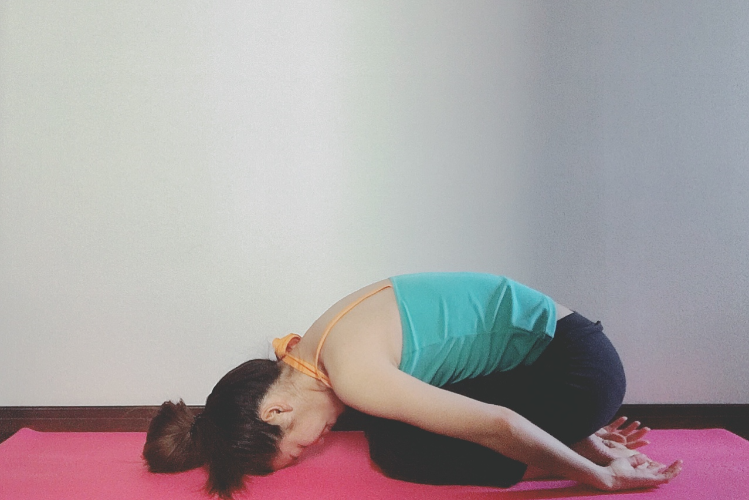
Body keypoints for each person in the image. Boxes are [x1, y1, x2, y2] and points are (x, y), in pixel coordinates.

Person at [143, 272, 682, 499]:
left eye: (300, 447)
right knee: (392, 421)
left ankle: (574, 448)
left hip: (576, 375)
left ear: (277, 411)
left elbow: (496, 423)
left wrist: (597, 476)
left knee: (399, 451)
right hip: (564, 356)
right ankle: (575, 438)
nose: (318, 444)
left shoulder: (354, 376)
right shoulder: (313, 348)